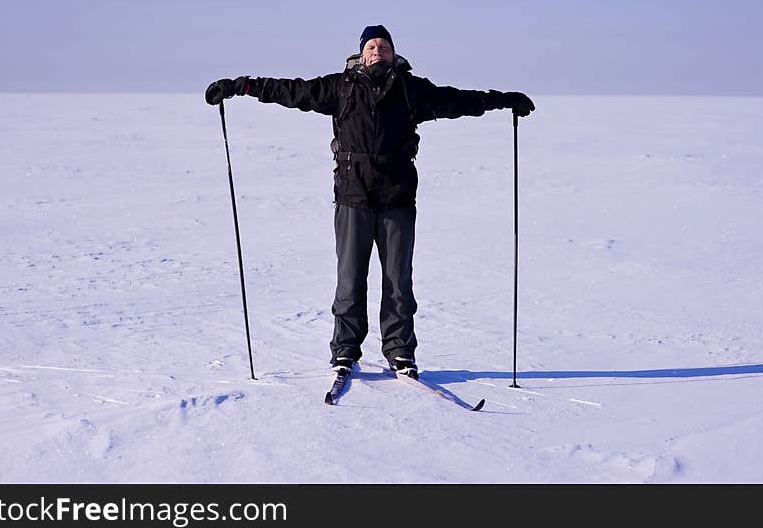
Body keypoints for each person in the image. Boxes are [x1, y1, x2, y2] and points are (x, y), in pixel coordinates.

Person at [205, 25, 534, 378]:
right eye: (373, 46)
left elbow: (458, 101)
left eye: (385, 46)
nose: (379, 50)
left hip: (397, 198)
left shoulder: (411, 89)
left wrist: (502, 100)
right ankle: (345, 351)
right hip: (352, 197)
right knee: (349, 279)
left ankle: (401, 353)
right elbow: (290, 90)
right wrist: (242, 86)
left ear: (394, 53)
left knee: (398, 280)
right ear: (361, 53)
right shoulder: (339, 87)